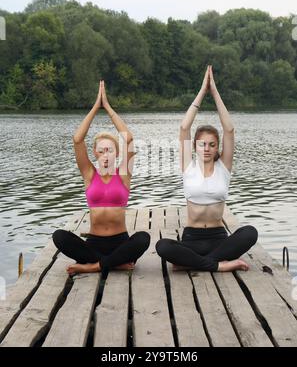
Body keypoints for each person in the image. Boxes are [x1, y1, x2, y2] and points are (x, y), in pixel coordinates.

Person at [156, 66, 258, 272]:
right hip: (191, 238)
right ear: (194, 146)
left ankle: (198, 263)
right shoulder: (188, 166)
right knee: (162, 246)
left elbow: (229, 129)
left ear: (217, 147)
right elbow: (184, 128)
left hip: (218, 239)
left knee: (250, 232)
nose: (207, 149)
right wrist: (202, 91)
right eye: (202, 144)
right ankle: (219, 266)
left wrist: (214, 91)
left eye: (212, 144)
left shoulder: (224, 167)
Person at [52, 80, 150, 275]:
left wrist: (108, 107)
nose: (106, 154)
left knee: (143, 238)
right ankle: (114, 264)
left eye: (110, 150)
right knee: (59, 236)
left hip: (120, 241)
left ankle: (96, 266)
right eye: (101, 150)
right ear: (95, 153)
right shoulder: (89, 174)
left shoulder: (124, 174)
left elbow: (128, 139)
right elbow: (77, 139)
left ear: (117, 153)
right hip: (94, 244)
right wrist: (96, 106)